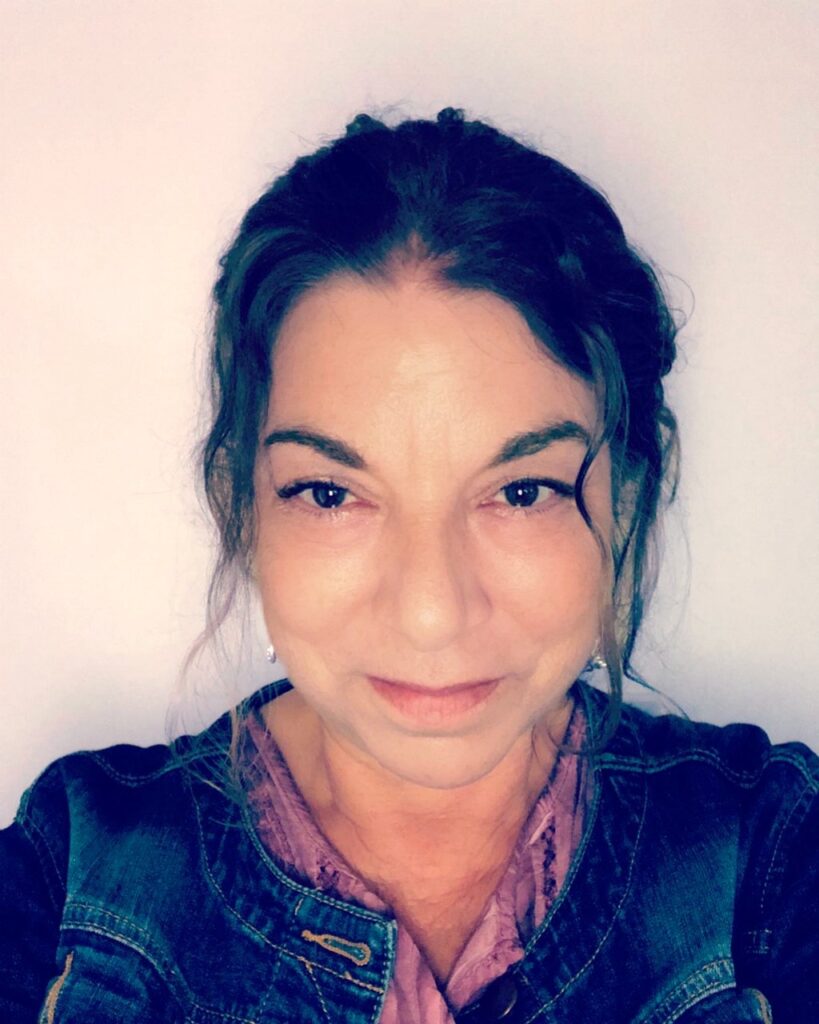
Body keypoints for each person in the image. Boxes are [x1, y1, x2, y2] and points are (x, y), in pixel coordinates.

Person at [1, 108, 816, 1023]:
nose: (430, 613)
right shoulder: (70, 872)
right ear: (241, 505)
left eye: (521, 491)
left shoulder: (770, 857)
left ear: (624, 499)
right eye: (329, 493)